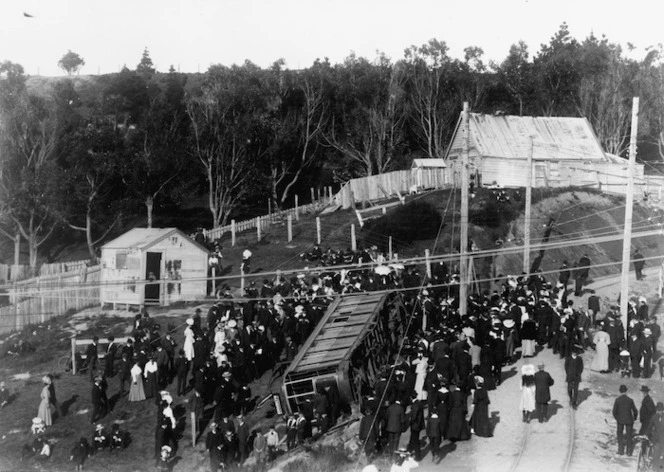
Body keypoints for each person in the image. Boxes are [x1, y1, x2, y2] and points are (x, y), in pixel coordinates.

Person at [613, 384, 638, 456]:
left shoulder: (617, 400)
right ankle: (629, 452)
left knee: (619, 434)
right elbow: (635, 411)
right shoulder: (630, 400)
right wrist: (634, 418)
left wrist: (617, 418)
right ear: (626, 391)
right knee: (629, 435)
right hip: (629, 420)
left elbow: (614, 412)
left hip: (620, 420)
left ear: (620, 391)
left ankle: (621, 451)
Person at [647, 402, 664, 469]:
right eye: (658, 410)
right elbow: (649, 427)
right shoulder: (654, 417)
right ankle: (655, 469)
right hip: (656, 439)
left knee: (662, 456)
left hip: (663, 439)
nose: (660, 411)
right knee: (656, 455)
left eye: (661, 410)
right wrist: (648, 436)